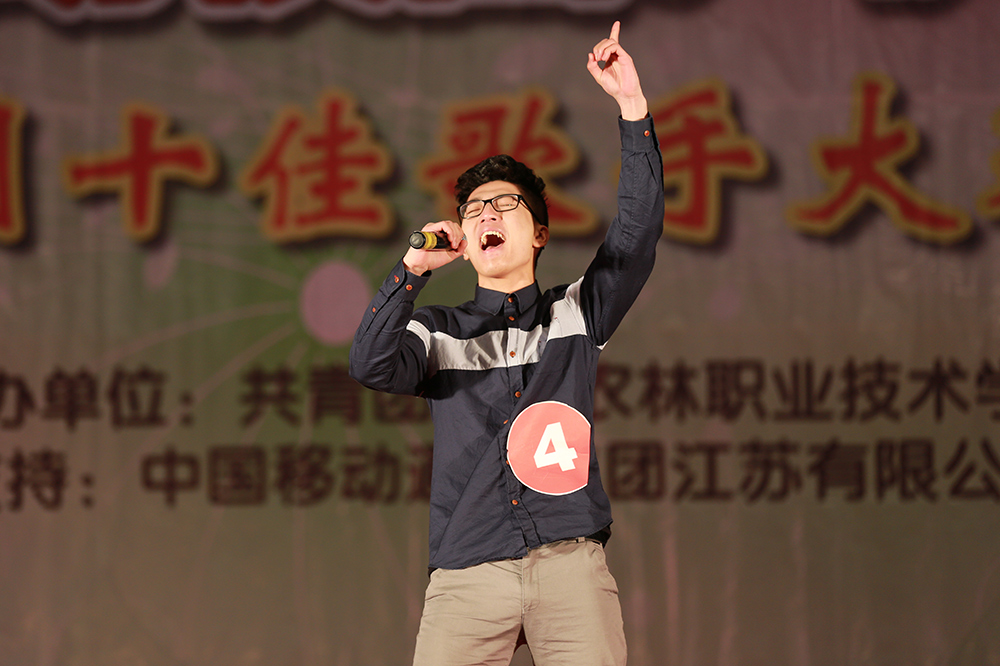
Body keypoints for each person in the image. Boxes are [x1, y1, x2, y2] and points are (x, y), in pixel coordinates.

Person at [349, 21, 664, 666]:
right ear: (465, 243)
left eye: (505, 205)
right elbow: (370, 365)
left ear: (540, 233)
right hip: (468, 571)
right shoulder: (439, 330)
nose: (487, 214)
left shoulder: (575, 313)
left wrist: (632, 105)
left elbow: (635, 236)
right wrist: (411, 272)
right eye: (474, 211)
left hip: (569, 563)